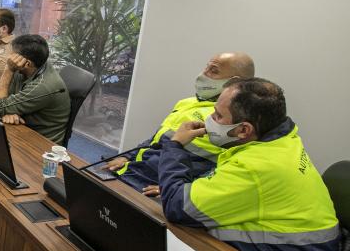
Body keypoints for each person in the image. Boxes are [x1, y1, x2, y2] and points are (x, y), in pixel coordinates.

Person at [158, 78, 339, 251]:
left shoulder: (257, 166)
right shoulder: (283, 141)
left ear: (243, 129)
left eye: (218, 116)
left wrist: (175, 146)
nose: (209, 120)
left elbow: (178, 208)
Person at [106, 52, 255, 196]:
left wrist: (182, 191)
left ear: (235, 82)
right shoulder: (187, 102)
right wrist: (127, 157)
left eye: (213, 71)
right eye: (206, 67)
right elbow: (157, 139)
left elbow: (223, 169)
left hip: (159, 186)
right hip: (134, 170)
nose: (204, 74)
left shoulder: (231, 120)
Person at [0, 34, 70, 145]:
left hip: (40, 144)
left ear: (26, 63)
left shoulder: (43, 85)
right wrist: (5, 112)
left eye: (12, 54)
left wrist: (8, 70)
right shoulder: (26, 68)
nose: (9, 59)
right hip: (21, 130)